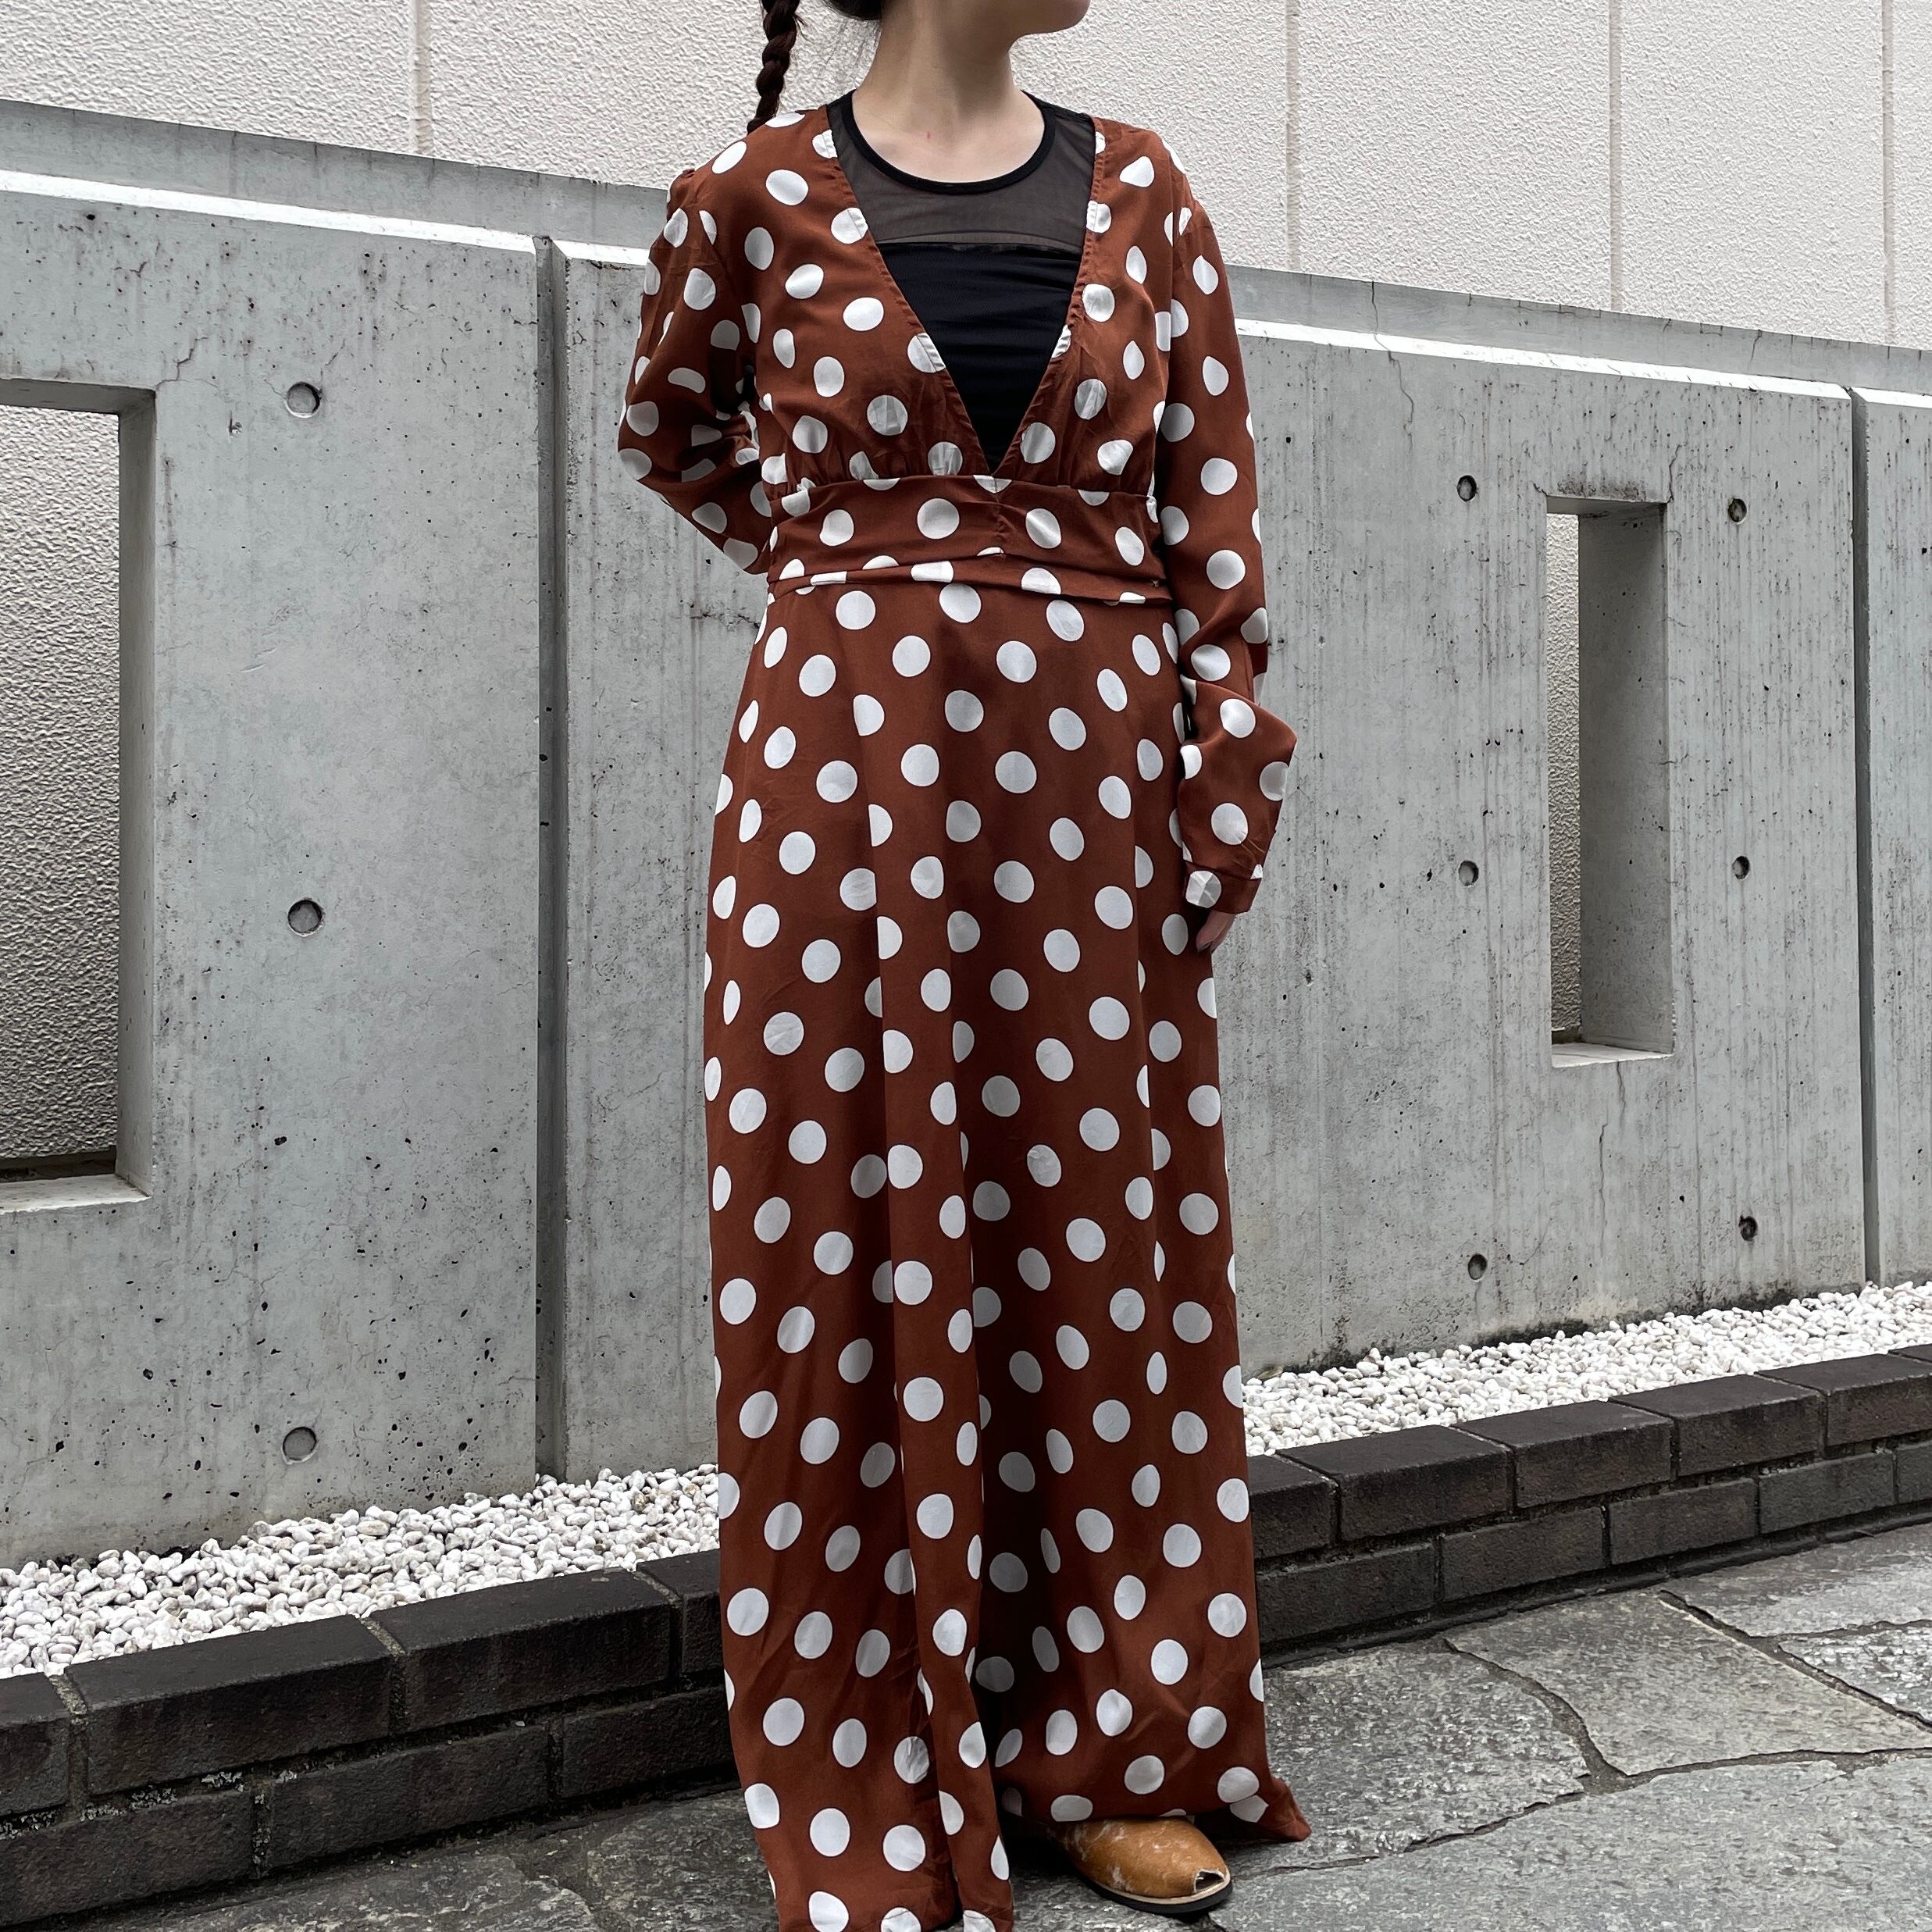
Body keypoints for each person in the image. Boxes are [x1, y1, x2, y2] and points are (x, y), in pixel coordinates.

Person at [618, 2, 1310, 1924]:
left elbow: (1213, 517)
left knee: (1105, 1255)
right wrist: (861, 567)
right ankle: (871, 1745)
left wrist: (1223, 773)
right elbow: (674, 430)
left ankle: (1116, 1744)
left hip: (1091, 792)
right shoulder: (744, 198)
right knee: (835, 1240)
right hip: (838, 789)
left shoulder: (1147, 192)